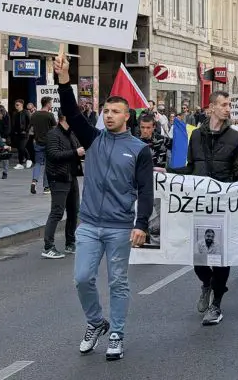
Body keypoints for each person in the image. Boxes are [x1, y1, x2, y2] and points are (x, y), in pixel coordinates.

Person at [54, 54, 153, 362]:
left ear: (127, 117)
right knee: (82, 278)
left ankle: (117, 334)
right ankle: (97, 322)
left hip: (120, 227)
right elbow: (70, 110)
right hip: (89, 224)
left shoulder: (139, 150)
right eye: (106, 111)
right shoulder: (93, 139)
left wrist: (142, 224)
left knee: (118, 282)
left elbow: (145, 190)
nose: (109, 115)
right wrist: (64, 79)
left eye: (116, 112)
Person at [168, 90, 238, 326]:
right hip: (200, 203)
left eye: (229, 104)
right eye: (223, 104)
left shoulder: (234, 137)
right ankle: (207, 283)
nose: (227, 108)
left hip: (223, 204)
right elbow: (191, 168)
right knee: (199, 257)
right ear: (211, 108)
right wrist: (167, 173)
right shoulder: (196, 137)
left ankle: (216, 304)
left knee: (221, 257)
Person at [42, 110, 83, 259]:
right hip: (58, 177)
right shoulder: (53, 134)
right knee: (57, 212)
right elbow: (53, 154)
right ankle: (48, 247)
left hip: (71, 177)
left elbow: (78, 149)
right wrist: (75, 152)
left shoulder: (71, 133)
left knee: (74, 211)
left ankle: (70, 243)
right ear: (63, 118)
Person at [30, 96, 57, 195]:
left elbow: (31, 130)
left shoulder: (34, 115)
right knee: (48, 165)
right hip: (49, 143)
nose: (52, 105)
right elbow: (55, 130)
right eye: (51, 103)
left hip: (38, 143)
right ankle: (46, 187)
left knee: (37, 163)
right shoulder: (50, 115)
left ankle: (34, 181)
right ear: (48, 104)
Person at [11, 99, 31, 170]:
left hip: (24, 134)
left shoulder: (26, 112)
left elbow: (30, 122)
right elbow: (13, 124)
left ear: (21, 105)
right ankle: (25, 160)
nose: (16, 106)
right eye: (15, 105)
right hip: (16, 134)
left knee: (22, 147)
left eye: (17, 105)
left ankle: (23, 162)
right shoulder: (14, 113)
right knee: (20, 148)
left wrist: (26, 130)